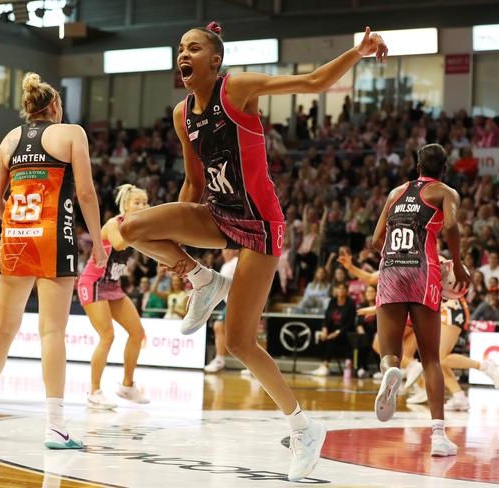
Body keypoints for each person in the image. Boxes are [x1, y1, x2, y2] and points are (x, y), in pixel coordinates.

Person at [119, 21, 387, 481]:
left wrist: (356, 52)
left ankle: (303, 427)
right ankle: (203, 280)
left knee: (241, 341)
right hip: (217, 215)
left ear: (214, 60)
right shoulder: (183, 114)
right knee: (133, 228)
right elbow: (194, 182)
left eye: (194, 47)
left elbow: (312, 82)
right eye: (181, 48)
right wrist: (177, 253)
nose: (184, 53)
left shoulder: (237, 89)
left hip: (261, 226)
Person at [0, 73, 106, 449]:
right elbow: (87, 194)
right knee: (52, 332)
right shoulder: (72, 132)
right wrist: (98, 242)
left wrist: (14, 223)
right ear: (55, 106)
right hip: (53, 236)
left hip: (14, 237)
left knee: (2, 329)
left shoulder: (9, 140)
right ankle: (55, 427)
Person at [372, 143, 470, 457]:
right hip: (422, 270)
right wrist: (455, 262)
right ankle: (439, 436)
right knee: (430, 357)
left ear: (417, 167)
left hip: (390, 268)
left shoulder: (395, 193)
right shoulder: (446, 192)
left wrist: (397, 258)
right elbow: (452, 226)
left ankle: (390, 371)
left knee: (390, 349)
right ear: (444, 168)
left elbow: (376, 241)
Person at [77, 184, 150, 410]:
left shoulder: (139, 226)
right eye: (136, 202)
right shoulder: (113, 224)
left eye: (145, 202)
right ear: (125, 205)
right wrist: (144, 232)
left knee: (137, 334)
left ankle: (127, 386)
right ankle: (94, 392)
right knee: (107, 336)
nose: (142, 206)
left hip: (112, 285)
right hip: (93, 283)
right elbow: (119, 243)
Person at [204, 249, 239, 373]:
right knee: (220, 327)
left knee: (218, 326)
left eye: (228, 250)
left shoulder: (236, 262)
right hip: (228, 303)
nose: (225, 252)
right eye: (224, 251)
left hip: (237, 301)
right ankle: (220, 360)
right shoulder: (225, 265)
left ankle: (219, 360)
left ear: (234, 251)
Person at [312, 282, 356, 376]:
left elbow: (349, 324)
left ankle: (325, 365)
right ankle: (323, 364)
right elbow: (327, 317)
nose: (340, 290)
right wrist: (324, 329)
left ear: (346, 291)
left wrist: (336, 333)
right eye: (338, 288)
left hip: (345, 333)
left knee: (331, 340)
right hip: (331, 331)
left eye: (343, 288)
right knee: (321, 338)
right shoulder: (332, 301)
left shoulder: (350, 304)